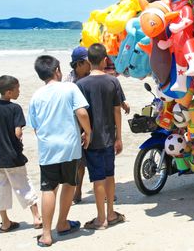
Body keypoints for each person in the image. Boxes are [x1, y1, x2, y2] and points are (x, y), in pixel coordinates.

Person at [28, 55, 92, 247]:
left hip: (48, 148)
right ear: (57, 70)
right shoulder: (70, 88)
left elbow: (35, 127)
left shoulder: (36, 95)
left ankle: (46, 234)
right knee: (69, 184)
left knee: (49, 188)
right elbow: (81, 112)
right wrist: (88, 132)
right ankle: (62, 223)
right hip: (70, 146)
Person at [0, 75, 42, 233]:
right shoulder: (14, 108)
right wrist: (14, 136)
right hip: (12, 157)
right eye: (17, 89)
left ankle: (5, 222)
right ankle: (36, 217)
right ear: (8, 92)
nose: (19, 91)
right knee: (23, 186)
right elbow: (18, 132)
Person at [76, 43, 126, 230]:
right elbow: (117, 111)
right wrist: (118, 137)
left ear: (89, 61)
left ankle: (101, 218)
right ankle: (111, 213)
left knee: (97, 178)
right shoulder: (113, 81)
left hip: (90, 139)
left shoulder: (80, 84)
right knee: (110, 175)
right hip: (109, 137)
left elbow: (79, 113)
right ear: (106, 59)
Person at [64, 46, 91, 204]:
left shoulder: (92, 76)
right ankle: (78, 190)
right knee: (79, 162)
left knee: (95, 158)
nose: (90, 64)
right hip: (76, 124)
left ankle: (101, 188)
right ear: (79, 63)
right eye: (88, 62)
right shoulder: (69, 81)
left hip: (93, 122)